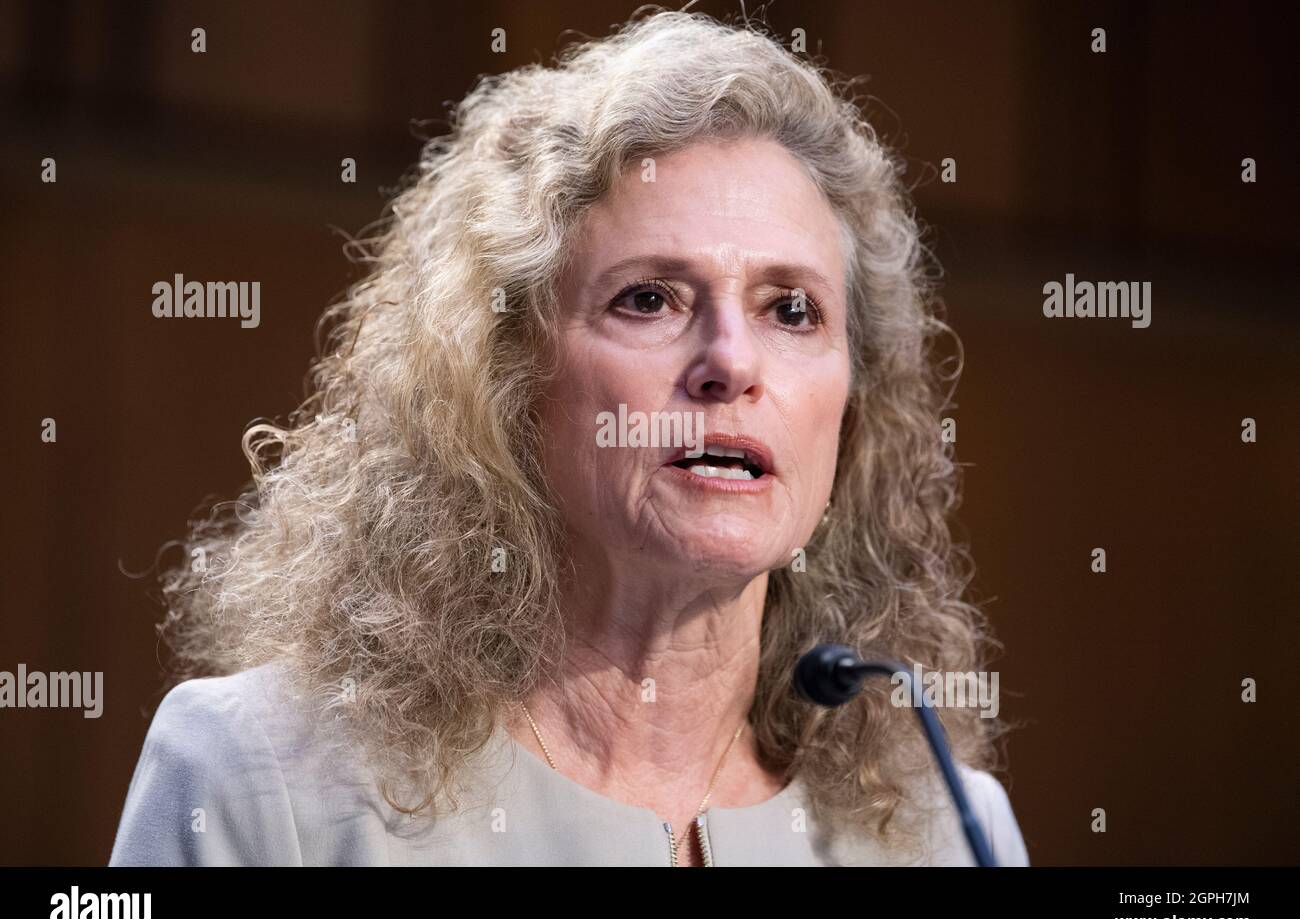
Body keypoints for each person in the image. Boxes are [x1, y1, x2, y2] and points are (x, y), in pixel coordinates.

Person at [110, 9, 1030, 867]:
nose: (729, 362)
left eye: (791, 309)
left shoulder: (946, 833)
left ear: (851, 406)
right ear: (505, 380)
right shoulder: (261, 780)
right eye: (650, 299)